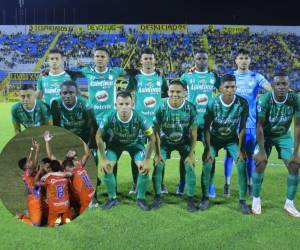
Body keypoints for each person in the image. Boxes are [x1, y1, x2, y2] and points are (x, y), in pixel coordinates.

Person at [210, 48, 272, 197]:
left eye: (246, 58)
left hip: (250, 124)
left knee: (249, 156)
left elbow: (270, 90)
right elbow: (217, 94)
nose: (243, 61)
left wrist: (263, 99)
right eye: (241, 58)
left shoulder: (256, 76)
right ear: (236, 60)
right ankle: (227, 184)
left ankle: (250, 185)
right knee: (230, 155)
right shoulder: (230, 78)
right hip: (232, 124)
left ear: (250, 60)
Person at [96, 91, 155, 211]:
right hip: (115, 145)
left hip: (135, 145)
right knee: (107, 167)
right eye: (121, 104)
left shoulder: (139, 117)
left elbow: (152, 137)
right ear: (116, 105)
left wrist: (147, 160)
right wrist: (103, 158)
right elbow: (98, 136)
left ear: (132, 104)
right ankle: (112, 198)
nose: (124, 107)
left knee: (143, 168)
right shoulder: (109, 117)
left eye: (127, 104)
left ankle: (141, 198)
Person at [252, 70, 300, 217]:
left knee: (294, 165)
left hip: (283, 136)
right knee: (260, 163)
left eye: (284, 83)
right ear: (273, 85)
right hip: (265, 136)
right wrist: (261, 150)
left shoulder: (295, 99)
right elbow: (259, 126)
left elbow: (298, 126)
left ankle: (289, 203)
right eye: (278, 84)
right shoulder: (265, 100)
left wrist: (296, 153)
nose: (281, 87)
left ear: (288, 85)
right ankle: (256, 199)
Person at [202, 74, 250, 214]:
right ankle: (205, 198)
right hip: (214, 139)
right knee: (207, 164)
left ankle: (242, 201)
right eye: (227, 87)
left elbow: (242, 127)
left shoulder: (242, 103)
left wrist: (241, 148)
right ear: (220, 88)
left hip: (231, 139)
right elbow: (206, 128)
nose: (231, 89)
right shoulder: (212, 103)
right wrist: (207, 149)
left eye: (233, 86)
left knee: (241, 163)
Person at [126, 47, 168, 195]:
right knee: (136, 152)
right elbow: (127, 94)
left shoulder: (159, 77)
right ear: (141, 61)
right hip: (139, 122)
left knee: (159, 153)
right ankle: (135, 183)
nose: (148, 61)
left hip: (157, 123)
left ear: (154, 60)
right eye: (145, 58)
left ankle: (160, 183)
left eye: (151, 58)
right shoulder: (136, 77)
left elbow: (165, 93)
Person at [151, 80, 198, 212]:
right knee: (158, 165)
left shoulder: (190, 107)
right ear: (167, 92)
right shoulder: (161, 107)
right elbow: (156, 132)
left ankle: (190, 199)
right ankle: (157, 197)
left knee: (190, 166)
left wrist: (191, 154)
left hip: (184, 142)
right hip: (165, 142)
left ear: (184, 93)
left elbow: (194, 134)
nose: (175, 94)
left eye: (178, 92)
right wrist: (158, 153)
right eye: (172, 91)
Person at [180, 49, 219, 197]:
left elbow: (224, 88)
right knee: (187, 153)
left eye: (204, 58)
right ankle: (183, 182)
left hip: (209, 122)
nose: (202, 61)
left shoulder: (213, 76)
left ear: (207, 60)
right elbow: (176, 88)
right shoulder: (187, 76)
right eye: (199, 58)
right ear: (194, 60)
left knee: (210, 154)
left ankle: (210, 184)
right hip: (191, 122)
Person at [50, 80, 97, 149]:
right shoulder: (55, 104)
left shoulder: (86, 104)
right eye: (65, 93)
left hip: (84, 138)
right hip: (66, 138)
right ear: (60, 93)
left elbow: (93, 126)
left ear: (76, 93)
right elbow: (56, 125)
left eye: (71, 93)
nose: (68, 96)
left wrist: (91, 145)